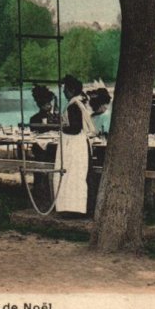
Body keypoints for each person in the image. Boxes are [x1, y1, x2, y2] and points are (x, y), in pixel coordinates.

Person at [51, 75, 99, 215]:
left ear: (71, 90)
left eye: (66, 89)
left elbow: (75, 128)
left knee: (73, 175)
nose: (64, 92)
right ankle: (72, 207)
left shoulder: (74, 106)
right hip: (77, 143)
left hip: (74, 145)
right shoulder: (78, 103)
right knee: (74, 176)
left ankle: (73, 208)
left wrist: (60, 126)